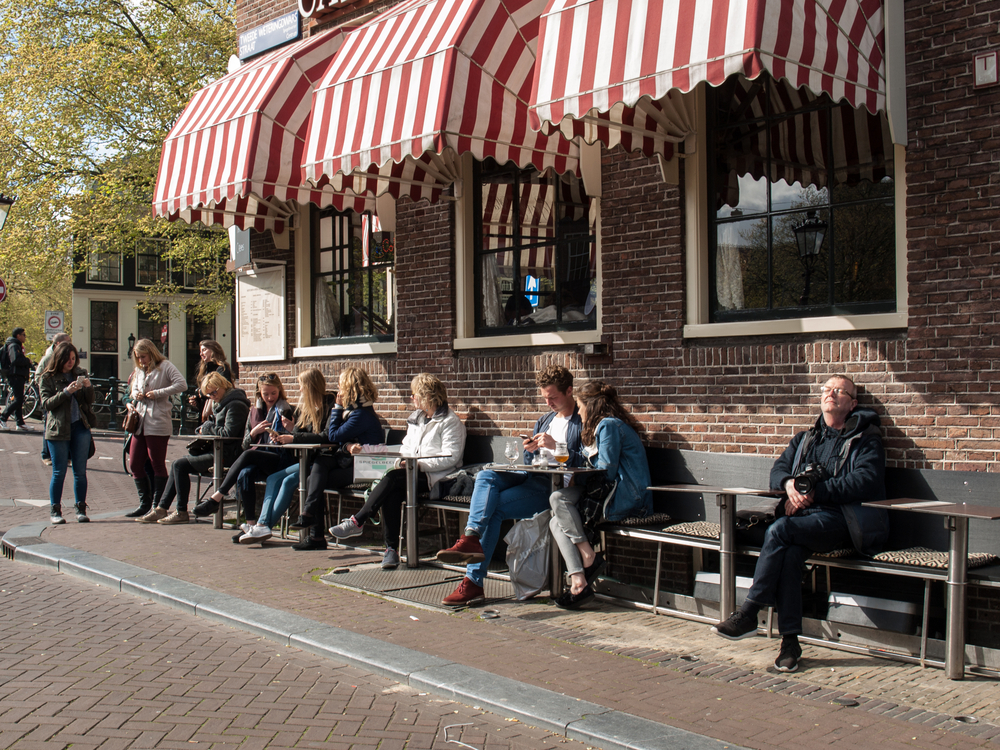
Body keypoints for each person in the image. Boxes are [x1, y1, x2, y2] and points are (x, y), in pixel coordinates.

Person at [711, 374, 888, 674]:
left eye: (839, 391)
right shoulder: (805, 439)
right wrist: (790, 484)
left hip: (841, 522)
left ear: (852, 403)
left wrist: (815, 492)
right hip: (804, 523)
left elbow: (866, 481)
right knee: (790, 554)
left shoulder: (866, 439)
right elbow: (777, 470)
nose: (830, 395)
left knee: (778, 530)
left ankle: (750, 611)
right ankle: (790, 644)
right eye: (826, 390)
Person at [434, 364, 582, 606]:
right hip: (532, 477)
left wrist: (556, 446)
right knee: (486, 474)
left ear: (569, 391)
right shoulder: (545, 420)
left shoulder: (581, 420)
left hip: (555, 488)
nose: (549, 403)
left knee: (492, 509)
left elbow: (587, 461)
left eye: (553, 397)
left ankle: (473, 582)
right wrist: (531, 451)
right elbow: (531, 462)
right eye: (545, 398)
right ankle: (471, 536)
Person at [330, 373, 465, 569]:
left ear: (426, 396)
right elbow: (406, 448)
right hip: (410, 474)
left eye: (414, 394)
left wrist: (417, 465)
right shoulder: (416, 419)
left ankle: (358, 522)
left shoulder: (450, 422)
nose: (411, 398)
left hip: (436, 478)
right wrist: (404, 461)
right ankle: (391, 551)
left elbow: (451, 457)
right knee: (392, 490)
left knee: (393, 479)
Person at [548, 380, 652, 609]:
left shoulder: (609, 426)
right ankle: (579, 581)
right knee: (556, 520)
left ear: (590, 406)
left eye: (580, 406)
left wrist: (579, 469)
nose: (579, 411)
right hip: (608, 493)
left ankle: (588, 558)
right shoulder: (601, 427)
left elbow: (606, 470)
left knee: (558, 499)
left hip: (627, 497)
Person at [290, 366, 385, 551]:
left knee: (313, 480)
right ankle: (312, 526)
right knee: (318, 468)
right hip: (351, 461)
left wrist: (337, 407)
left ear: (350, 389)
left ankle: (314, 528)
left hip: (367, 467)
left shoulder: (360, 414)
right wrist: (348, 445)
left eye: (341, 387)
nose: (338, 391)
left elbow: (333, 435)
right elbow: (343, 441)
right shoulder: (354, 411)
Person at [238, 368, 336, 545]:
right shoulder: (304, 408)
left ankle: (264, 525)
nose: (299, 390)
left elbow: (326, 436)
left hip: (320, 461)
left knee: (287, 481)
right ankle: (262, 525)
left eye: (301, 386)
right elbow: (299, 433)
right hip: (305, 460)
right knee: (274, 478)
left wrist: (293, 436)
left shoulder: (330, 404)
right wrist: (289, 431)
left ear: (310, 386)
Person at [191, 372, 294, 539]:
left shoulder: (286, 410)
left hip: (279, 457)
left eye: (273, 393)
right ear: (259, 393)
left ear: (279, 391)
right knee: (245, 473)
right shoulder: (254, 411)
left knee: (247, 456)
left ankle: (217, 498)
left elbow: (293, 439)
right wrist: (253, 433)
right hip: (258, 457)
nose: (269, 397)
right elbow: (245, 443)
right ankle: (251, 526)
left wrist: (287, 432)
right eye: (265, 394)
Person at [138, 372, 250, 524]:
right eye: (209, 394)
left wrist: (208, 427)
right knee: (178, 464)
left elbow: (228, 433)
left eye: (213, 392)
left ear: (223, 385)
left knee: (179, 465)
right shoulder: (222, 403)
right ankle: (162, 508)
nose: (212, 396)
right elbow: (215, 426)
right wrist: (204, 428)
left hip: (228, 454)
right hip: (217, 451)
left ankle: (180, 511)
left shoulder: (235, 405)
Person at [123, 339, 187, 518]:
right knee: (135, 463)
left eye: (143, 357)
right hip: (140, 422)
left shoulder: (165, 366)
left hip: (157, 421)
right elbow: (134, 388)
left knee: (157, 463)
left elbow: (182, 384)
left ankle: (158, 505)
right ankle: (145, 503)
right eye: (138, 358)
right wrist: (136, 394)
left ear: (151, 353)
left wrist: (158, 393)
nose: (141, 361)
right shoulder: (139, 370)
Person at [38, 342, 96, 524]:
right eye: (67, 359)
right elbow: (46, 404)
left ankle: (81, 509)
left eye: (73, 359)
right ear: (59, 358)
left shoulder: (80, 373)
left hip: (80, 426)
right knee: (59, 472)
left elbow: (90, 400)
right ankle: (55, 511)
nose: (71, 362)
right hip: (58, 429)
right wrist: (66, 392)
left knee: (80, 471)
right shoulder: (47, 377)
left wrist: (88, 387)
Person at [37, 332, 72, 465]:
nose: (70, 344)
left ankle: (67, 456)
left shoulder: (69, 357)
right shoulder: (48, 358)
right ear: (58, 344)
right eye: (67, 342)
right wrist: (47, 388)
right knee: (49, 425)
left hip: (66, 399)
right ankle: (46, 455)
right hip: (52, 399)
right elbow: (39, 376)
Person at [187, 340, 234, 423]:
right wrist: (197, 401)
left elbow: (218, 391)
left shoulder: (221, 369)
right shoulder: (204, 369)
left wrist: (200, 393)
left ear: (213, 350)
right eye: (200, 351)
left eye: (204, 350)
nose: (201, 354)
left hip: (216, 413)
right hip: (205, 413)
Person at [1, 327, 36, 431]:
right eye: (23, 335)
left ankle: (20, 423)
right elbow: (15, 360)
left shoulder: (16, 345)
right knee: (19, 399)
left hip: (17, 375)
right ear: (18, 336)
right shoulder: (14, 345)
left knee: (19, 399)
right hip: (15, 375)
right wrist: (27, 361)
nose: (25, 337)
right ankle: (3, 418)